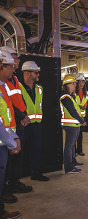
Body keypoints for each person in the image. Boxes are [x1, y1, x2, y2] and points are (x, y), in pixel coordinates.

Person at [1, 47, 31, 203]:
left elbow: (19, 99)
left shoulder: (14, 79)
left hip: (15, 123)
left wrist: (24, 115)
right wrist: (22, 116)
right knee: (5, 160)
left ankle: (13, 182)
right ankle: (4, 189)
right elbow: (7, 105)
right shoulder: (4, 81)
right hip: (10, 125)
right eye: (13, 58)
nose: (16, 61)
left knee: (16, 156)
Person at [0, 50, 22, 218]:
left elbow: (8, 116)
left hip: (5, 142)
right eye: (10, 66)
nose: (13, 69)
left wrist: (15, 137)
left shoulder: (3, 87)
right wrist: (11, 142)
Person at [19, 61, 49, 181]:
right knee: (19, 152)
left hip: (37, 125)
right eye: (36, 72)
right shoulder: (18, 87)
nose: (38, 75)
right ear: (27, 73)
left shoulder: (39, 88)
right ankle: (16, 178)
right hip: (23, 125)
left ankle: (35, 173)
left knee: (36, 150)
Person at [60, 75, 86, 174]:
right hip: (69, 124)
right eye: (73, 83)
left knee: (72, 146)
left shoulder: (71, 96)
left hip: (74, 124)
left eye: (75, 83)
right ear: (66, 85)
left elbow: (76, 110)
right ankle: (69, 167)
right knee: (69, 146)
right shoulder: (65, 97)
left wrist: (80, 120)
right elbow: (72, 111)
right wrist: (81, 120)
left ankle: (73, 162)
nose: (75, 85)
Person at [75, 74, 88, 156]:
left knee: (80, 135)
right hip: (74, 116)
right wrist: (79, 106)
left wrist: (84, 106)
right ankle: (73, 152)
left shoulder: (86, 93)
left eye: (82, 82)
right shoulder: (74, 92)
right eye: (79, 82)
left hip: (82, 116)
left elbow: (86, 102)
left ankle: (79, 150)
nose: (81, 84)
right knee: (74, 135)